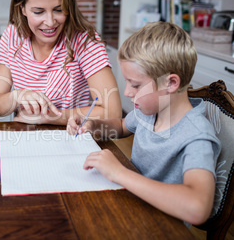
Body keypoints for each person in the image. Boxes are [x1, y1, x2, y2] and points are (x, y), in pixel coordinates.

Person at [67, 21, 221, 225]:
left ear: (171, 83)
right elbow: (122, 126)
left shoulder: (196, 135)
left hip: (158, 226)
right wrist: (95, 126)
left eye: (135, 85)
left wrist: (119, 172)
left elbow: (197, 208)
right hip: (131, 204)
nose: (127, 92)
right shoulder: (150, 110)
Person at [0, 0, 121, 125]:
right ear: (22, 8)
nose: (50, 22)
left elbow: (113, 112)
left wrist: (50, 116)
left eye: (59, 9)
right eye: (38, 12)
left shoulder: (84, 41)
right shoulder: (12, 36)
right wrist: (16, 96)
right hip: (26, 138)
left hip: (72, 138)